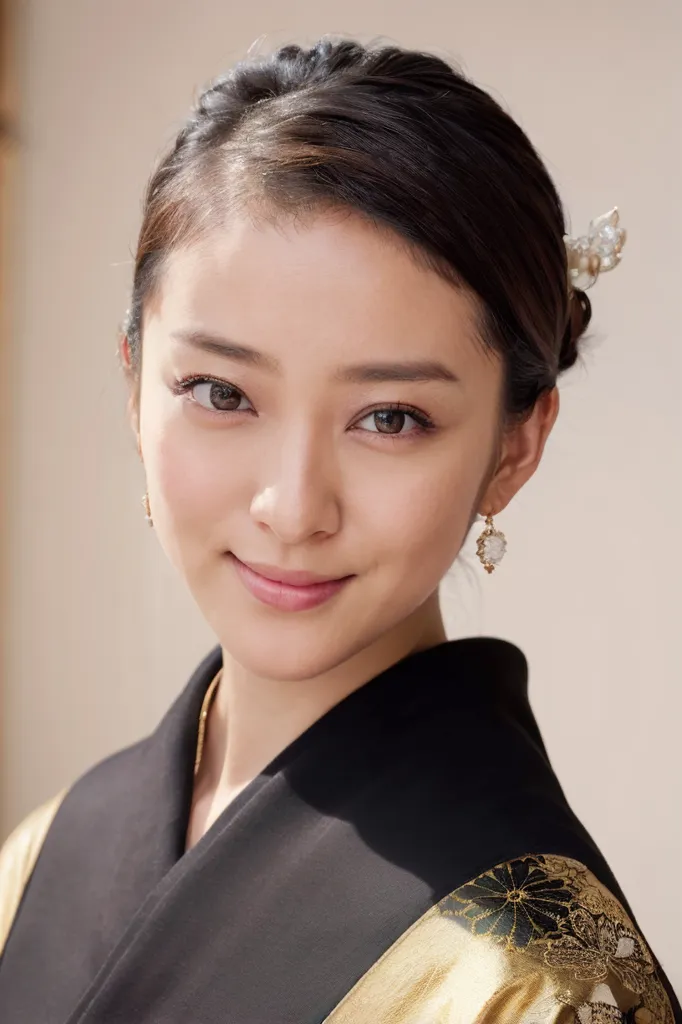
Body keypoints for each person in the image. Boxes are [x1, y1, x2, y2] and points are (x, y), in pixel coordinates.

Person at [0, 36, 678, 1024]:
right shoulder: (44, 852)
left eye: (389, 417)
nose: (292, 505)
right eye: (221, 392)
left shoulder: (540, 978)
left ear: (513, 446)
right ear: (133, 389)